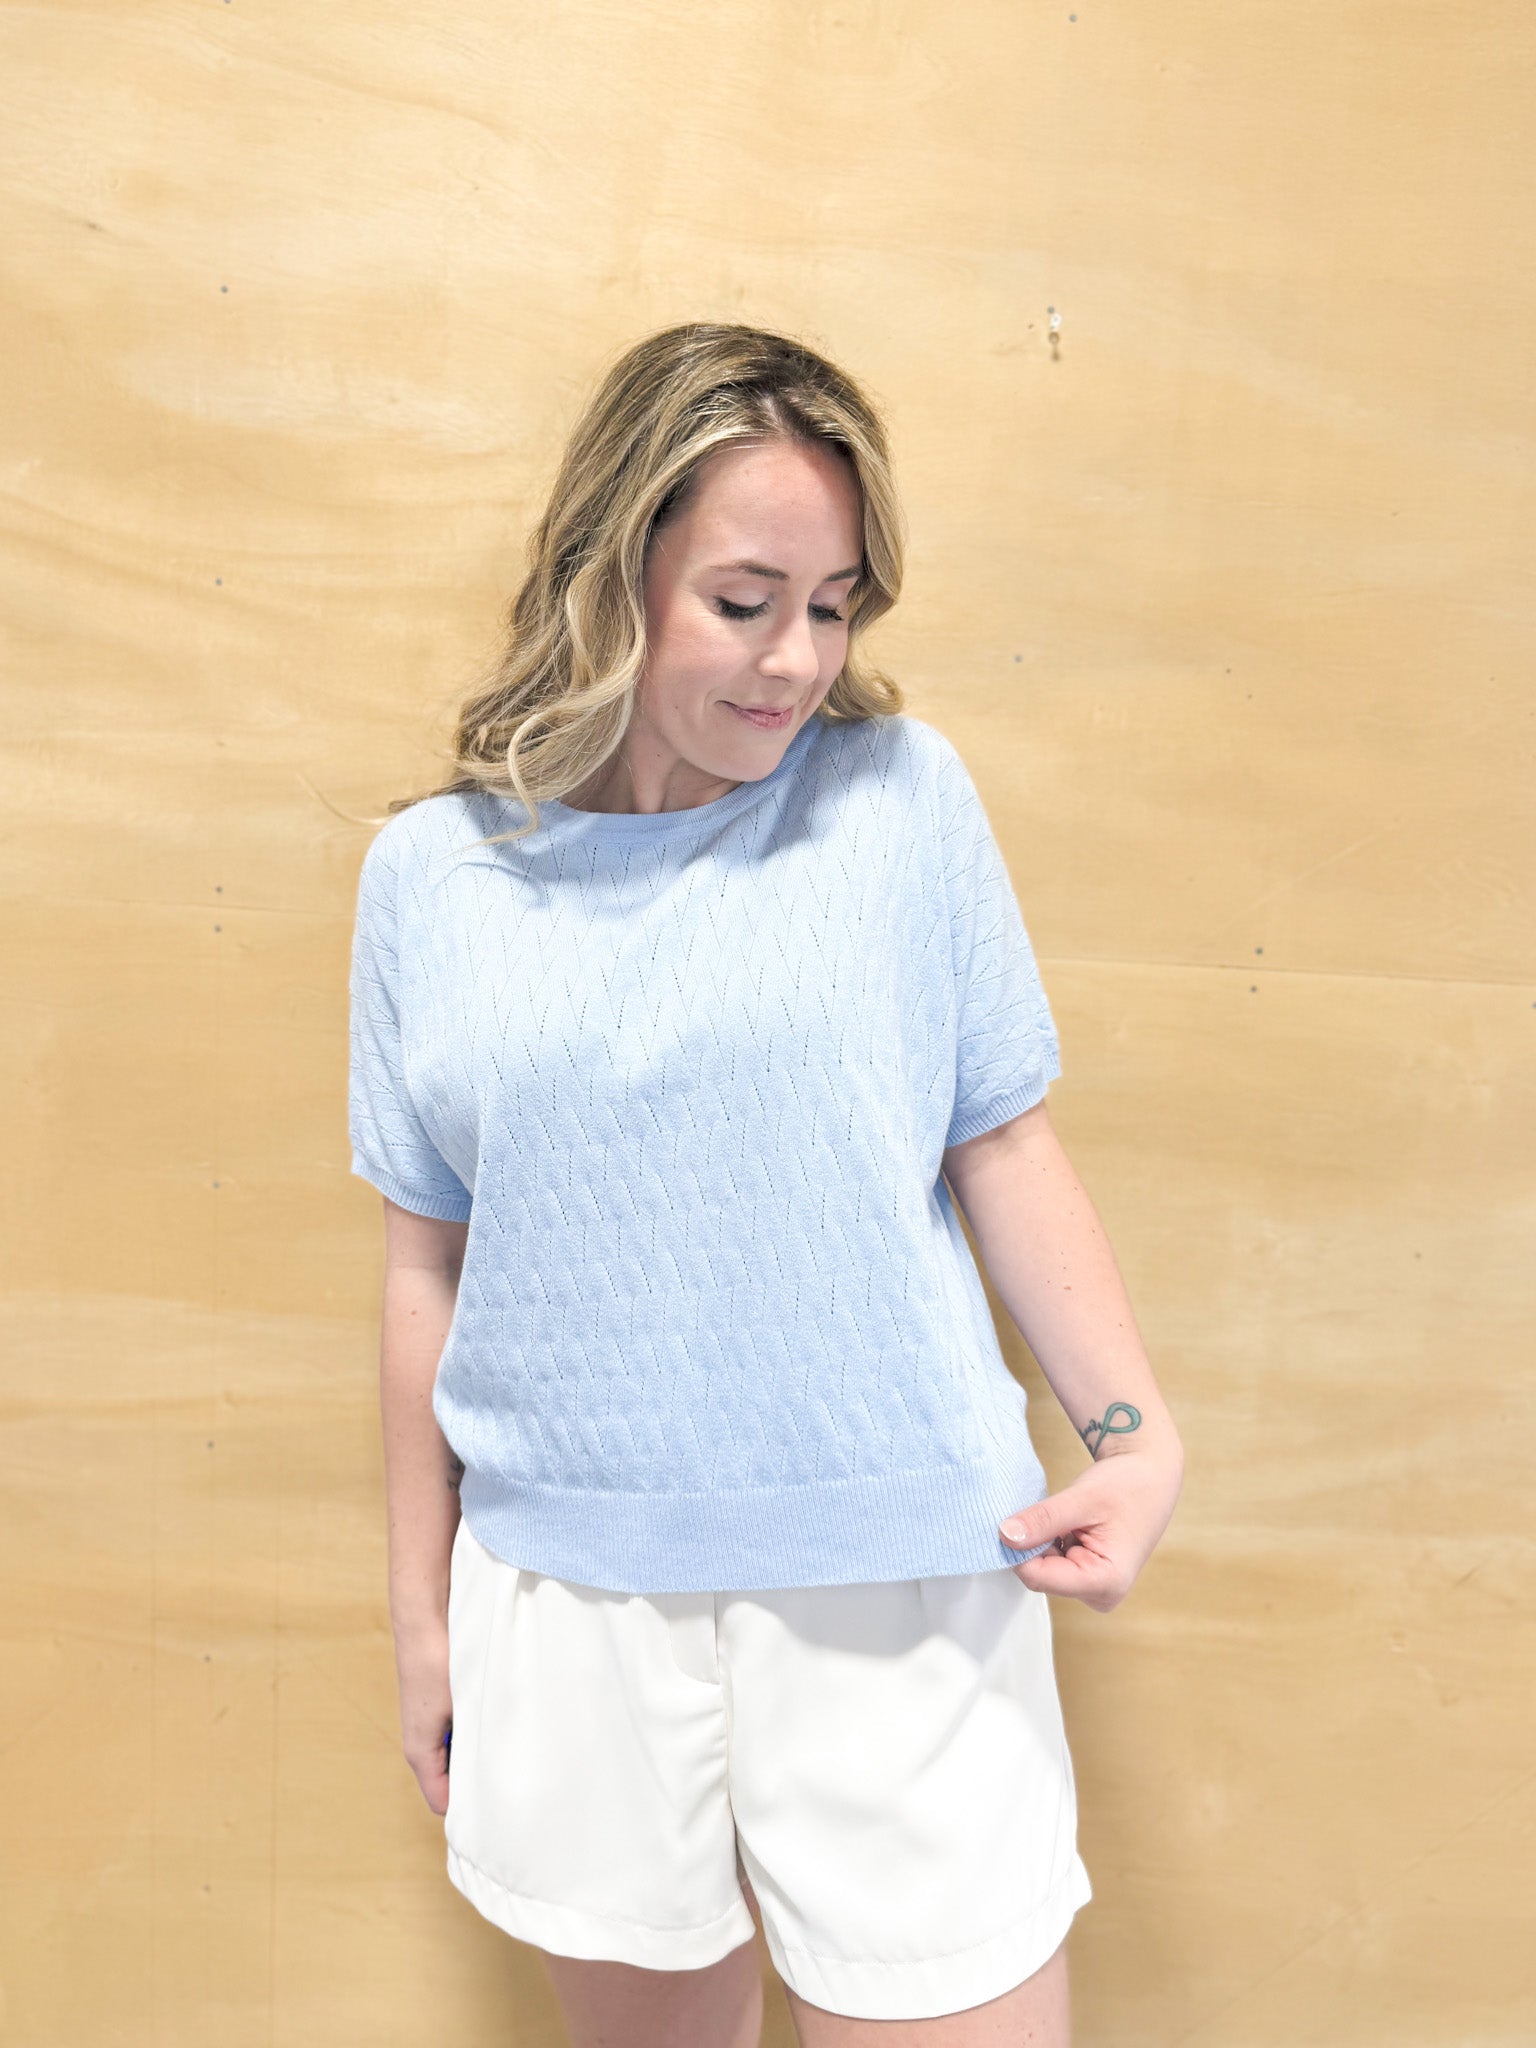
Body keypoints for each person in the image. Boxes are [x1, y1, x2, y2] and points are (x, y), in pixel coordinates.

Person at [348, 321, 1184, 2048]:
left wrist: (1133, 1433)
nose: (797, 658)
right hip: (569, 1606)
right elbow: (428, 1262)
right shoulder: (432, 878)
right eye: (745, 601)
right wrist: (423, 1619)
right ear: (613, 571)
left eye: (835, 604)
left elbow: (999, 1136)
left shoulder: (901, 802)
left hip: (904, 1577)